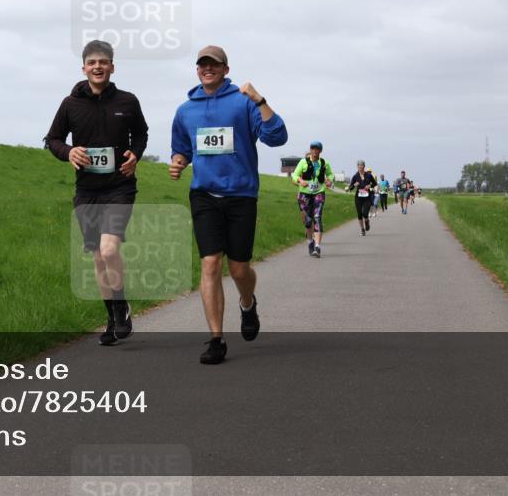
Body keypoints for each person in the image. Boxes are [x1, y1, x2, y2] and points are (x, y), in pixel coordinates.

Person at [169, 45, 288, 365]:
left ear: (225, 68)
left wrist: (260, 100)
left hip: (241, 195)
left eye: (214, 64)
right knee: (210, 263)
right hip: (204, 194)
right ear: (197, 70)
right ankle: (216, 339)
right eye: (202, 64)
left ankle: (247, 303)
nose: (207, 69)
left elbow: (277, 138)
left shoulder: (242, 102)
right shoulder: (185, 110)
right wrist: (178, 163)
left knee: (238, 268)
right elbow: (182, 149)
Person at [46, 40, 148, 346]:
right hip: (87, 189)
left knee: (108, 249)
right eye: (92, 63)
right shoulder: (70, 104)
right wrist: (68, 152)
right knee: (97, 258)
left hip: (120, 186)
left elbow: (141, 134)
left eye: (103, 62)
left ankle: (121, 305)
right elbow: (52, 139)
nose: (98, 67)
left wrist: (136, 154)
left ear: (112, 67)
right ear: (84, 68)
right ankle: (112, 315)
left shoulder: (128, 101)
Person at [291, 141, 333, 258]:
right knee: (308, 221)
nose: (315, 151)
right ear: (310, 149)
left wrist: (329, 180)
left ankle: (318, 247)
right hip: (304, 194)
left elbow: (330, 175)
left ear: (320, 151)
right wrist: (300, 181)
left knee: (317, 217)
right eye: (313, 148)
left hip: (319, 193)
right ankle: (310, 242)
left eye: (317, 149)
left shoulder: (324, 163)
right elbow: (294, 176)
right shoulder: (303, 162)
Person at [348, 161, 377, 235]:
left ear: (364, 167)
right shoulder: (355, 176)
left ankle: (367, 221)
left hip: (367, 196)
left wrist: (369, 186)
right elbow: (350, 187)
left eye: (361, 166)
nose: (360, 167)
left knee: (365, 213)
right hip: (358, 197)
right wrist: (354, 185)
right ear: (357, 167)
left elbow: (374, 183)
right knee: (359, 214)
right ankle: (362, 229)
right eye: (359, 166)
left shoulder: (369, 175)